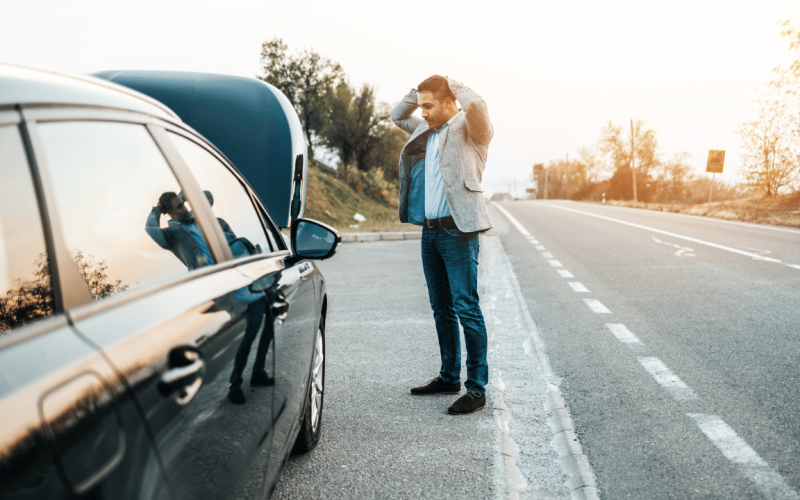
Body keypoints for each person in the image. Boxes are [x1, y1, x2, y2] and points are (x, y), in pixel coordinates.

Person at [390, 75, 493, 415]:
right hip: (430, 231)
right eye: (421, 107)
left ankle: (476, 389)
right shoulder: (425, 130)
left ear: (450, 102)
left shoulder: (470, 127)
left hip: (459, 231)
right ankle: (449, 376)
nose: (423, 113)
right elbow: (396, 115)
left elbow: (476, 104)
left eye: (430, 106)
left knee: (466, 307)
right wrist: (417, 92)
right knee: (441, 308)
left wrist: (453, 82)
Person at [146, 191, 273, 405]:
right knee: (244, 332)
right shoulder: (171, 236)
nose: (184, 209)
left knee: (265, 321)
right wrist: (157, 208)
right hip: (217, 287)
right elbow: (150, 229)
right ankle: (234, 385)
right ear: (168, 213)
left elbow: (207, 196)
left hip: (240, 275)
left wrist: (185, 195)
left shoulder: (202, 218)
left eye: (183, 204)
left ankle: (258, 372)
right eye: (177, 207)